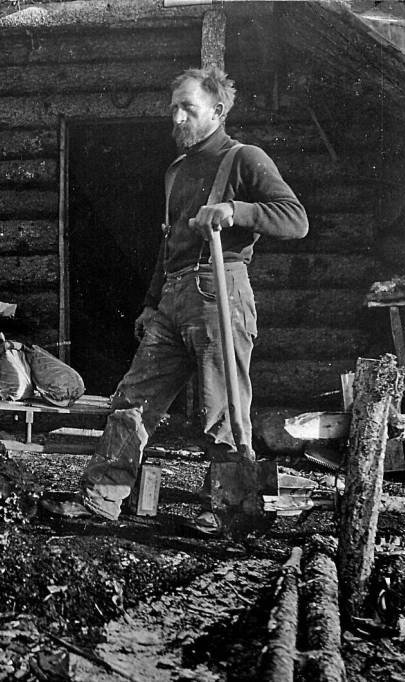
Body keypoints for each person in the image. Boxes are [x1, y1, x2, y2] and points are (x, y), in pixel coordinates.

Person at [44, 67, 308, 534]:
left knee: (220, 410)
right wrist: (150, 303)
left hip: (219, 292)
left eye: (188, 107)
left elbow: (295, 218)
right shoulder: (178, 171)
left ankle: (224, 508)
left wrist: (236, 210)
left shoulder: (245, 158)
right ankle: (103, 496)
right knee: (132, 398)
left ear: (217, 111)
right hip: (173, 296)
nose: (178, 117)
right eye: (174, 108)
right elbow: (167, 247)